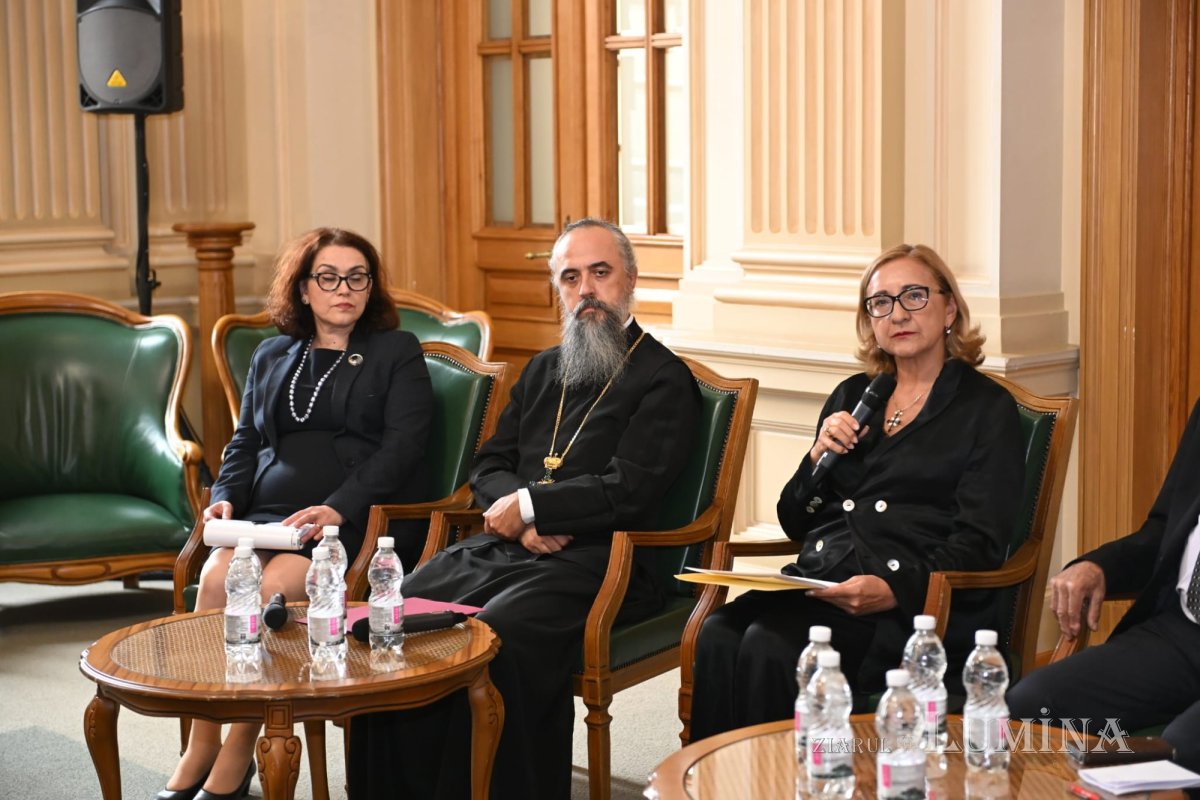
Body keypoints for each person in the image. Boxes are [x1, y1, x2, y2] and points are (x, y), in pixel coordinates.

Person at [348, 217, 701, 799]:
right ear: (557, 291)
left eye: (600, 272)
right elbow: (487, 466)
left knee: (495, 638)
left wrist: (534, 507)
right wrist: (521, 513)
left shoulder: (664, 378)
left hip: (600, 562)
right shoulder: (543, 369)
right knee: (393, 613)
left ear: (630, 279)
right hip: (506, 548)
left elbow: (631, 488)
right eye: (570, 277)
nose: (585, 289)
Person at [687, 243, 1025, 740]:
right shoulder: (854, 394)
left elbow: (981, 540)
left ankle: (787, 790)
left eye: (913, 296)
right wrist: (817, 459)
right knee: (717, 634)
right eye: (880, 303)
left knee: (770, 644)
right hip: (824, 584)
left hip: (912, 606)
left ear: (949, 307)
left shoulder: (986, 408)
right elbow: (793, 521)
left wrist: (895, 589)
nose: (898, 314)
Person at [158, 227, 433, 800]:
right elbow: (245, 439)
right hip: (264, 516)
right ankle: (200, 746)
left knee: (262, 590)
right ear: (304, 289)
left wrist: (336, 507)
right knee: (214, 581)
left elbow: (403, 449)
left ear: (370, 287)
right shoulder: (273, 352)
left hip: (345, 524)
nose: (344, 290)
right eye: (328, 278)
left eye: (357, 278)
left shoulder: (394, 352)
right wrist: (225, 494)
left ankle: (235, 756)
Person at [1007, 402, 1200, 771]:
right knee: (1031, 704)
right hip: (1181, 633)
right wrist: (1098, 567)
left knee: (1179, 752)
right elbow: (1165, 529)